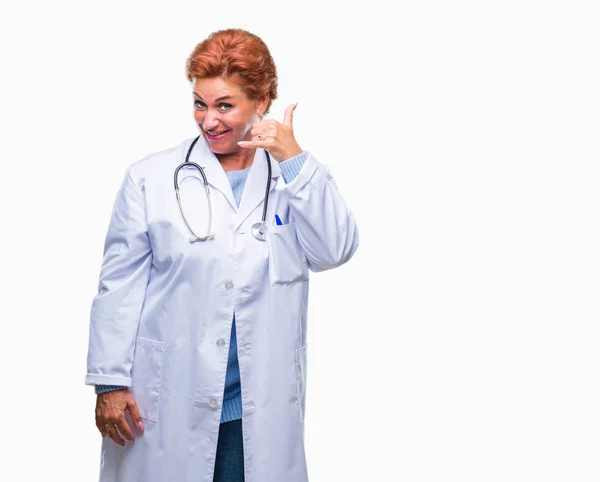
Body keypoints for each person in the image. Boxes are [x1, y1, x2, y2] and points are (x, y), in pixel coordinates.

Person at [85, 28, 359, 482]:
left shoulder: (293, 180)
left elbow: (335, 249)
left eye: (224, 106)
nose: (208, 120)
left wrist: (293, 157)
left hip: (255, 406)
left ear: (263, 99)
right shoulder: (150, 179)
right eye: (199, 103)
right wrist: (109, 381)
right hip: (168, 398)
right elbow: (118, 288)